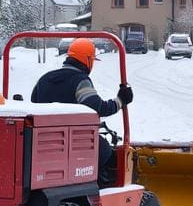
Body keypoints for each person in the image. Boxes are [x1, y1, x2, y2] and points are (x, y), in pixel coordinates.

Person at [31, 38, 133, 185]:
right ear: (88, 60)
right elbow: (97, 107)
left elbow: (34, 105)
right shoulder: (80, 80)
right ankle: (99, 186)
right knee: (106, 153)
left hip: (43, 143)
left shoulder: (45, 79)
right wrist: (120, 101)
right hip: (76, 142)